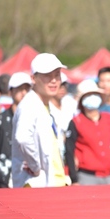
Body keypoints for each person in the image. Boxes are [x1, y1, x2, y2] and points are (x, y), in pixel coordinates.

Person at [12, 53, 69, 188]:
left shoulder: (45, 105)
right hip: (36, 186)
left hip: (53, 184)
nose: (54, 80)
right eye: (47, 75)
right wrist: (35, 166)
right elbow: (22, 138)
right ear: (33, 78)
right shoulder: (29, 104)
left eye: (57, 74)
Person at [64, 80, 110, 185]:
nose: (92, 97)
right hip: (87, 176)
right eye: (88, 95)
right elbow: (69, 150)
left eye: (95, 94)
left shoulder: (109, 118)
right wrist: (74, 179)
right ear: (82, 100)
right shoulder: (76, 122)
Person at [0, 73, 32, 188]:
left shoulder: (36, 119)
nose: (24, 93)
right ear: (10, 92)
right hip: (3, 178)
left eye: (27, 89)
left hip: (30, 178)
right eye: (20, 89)